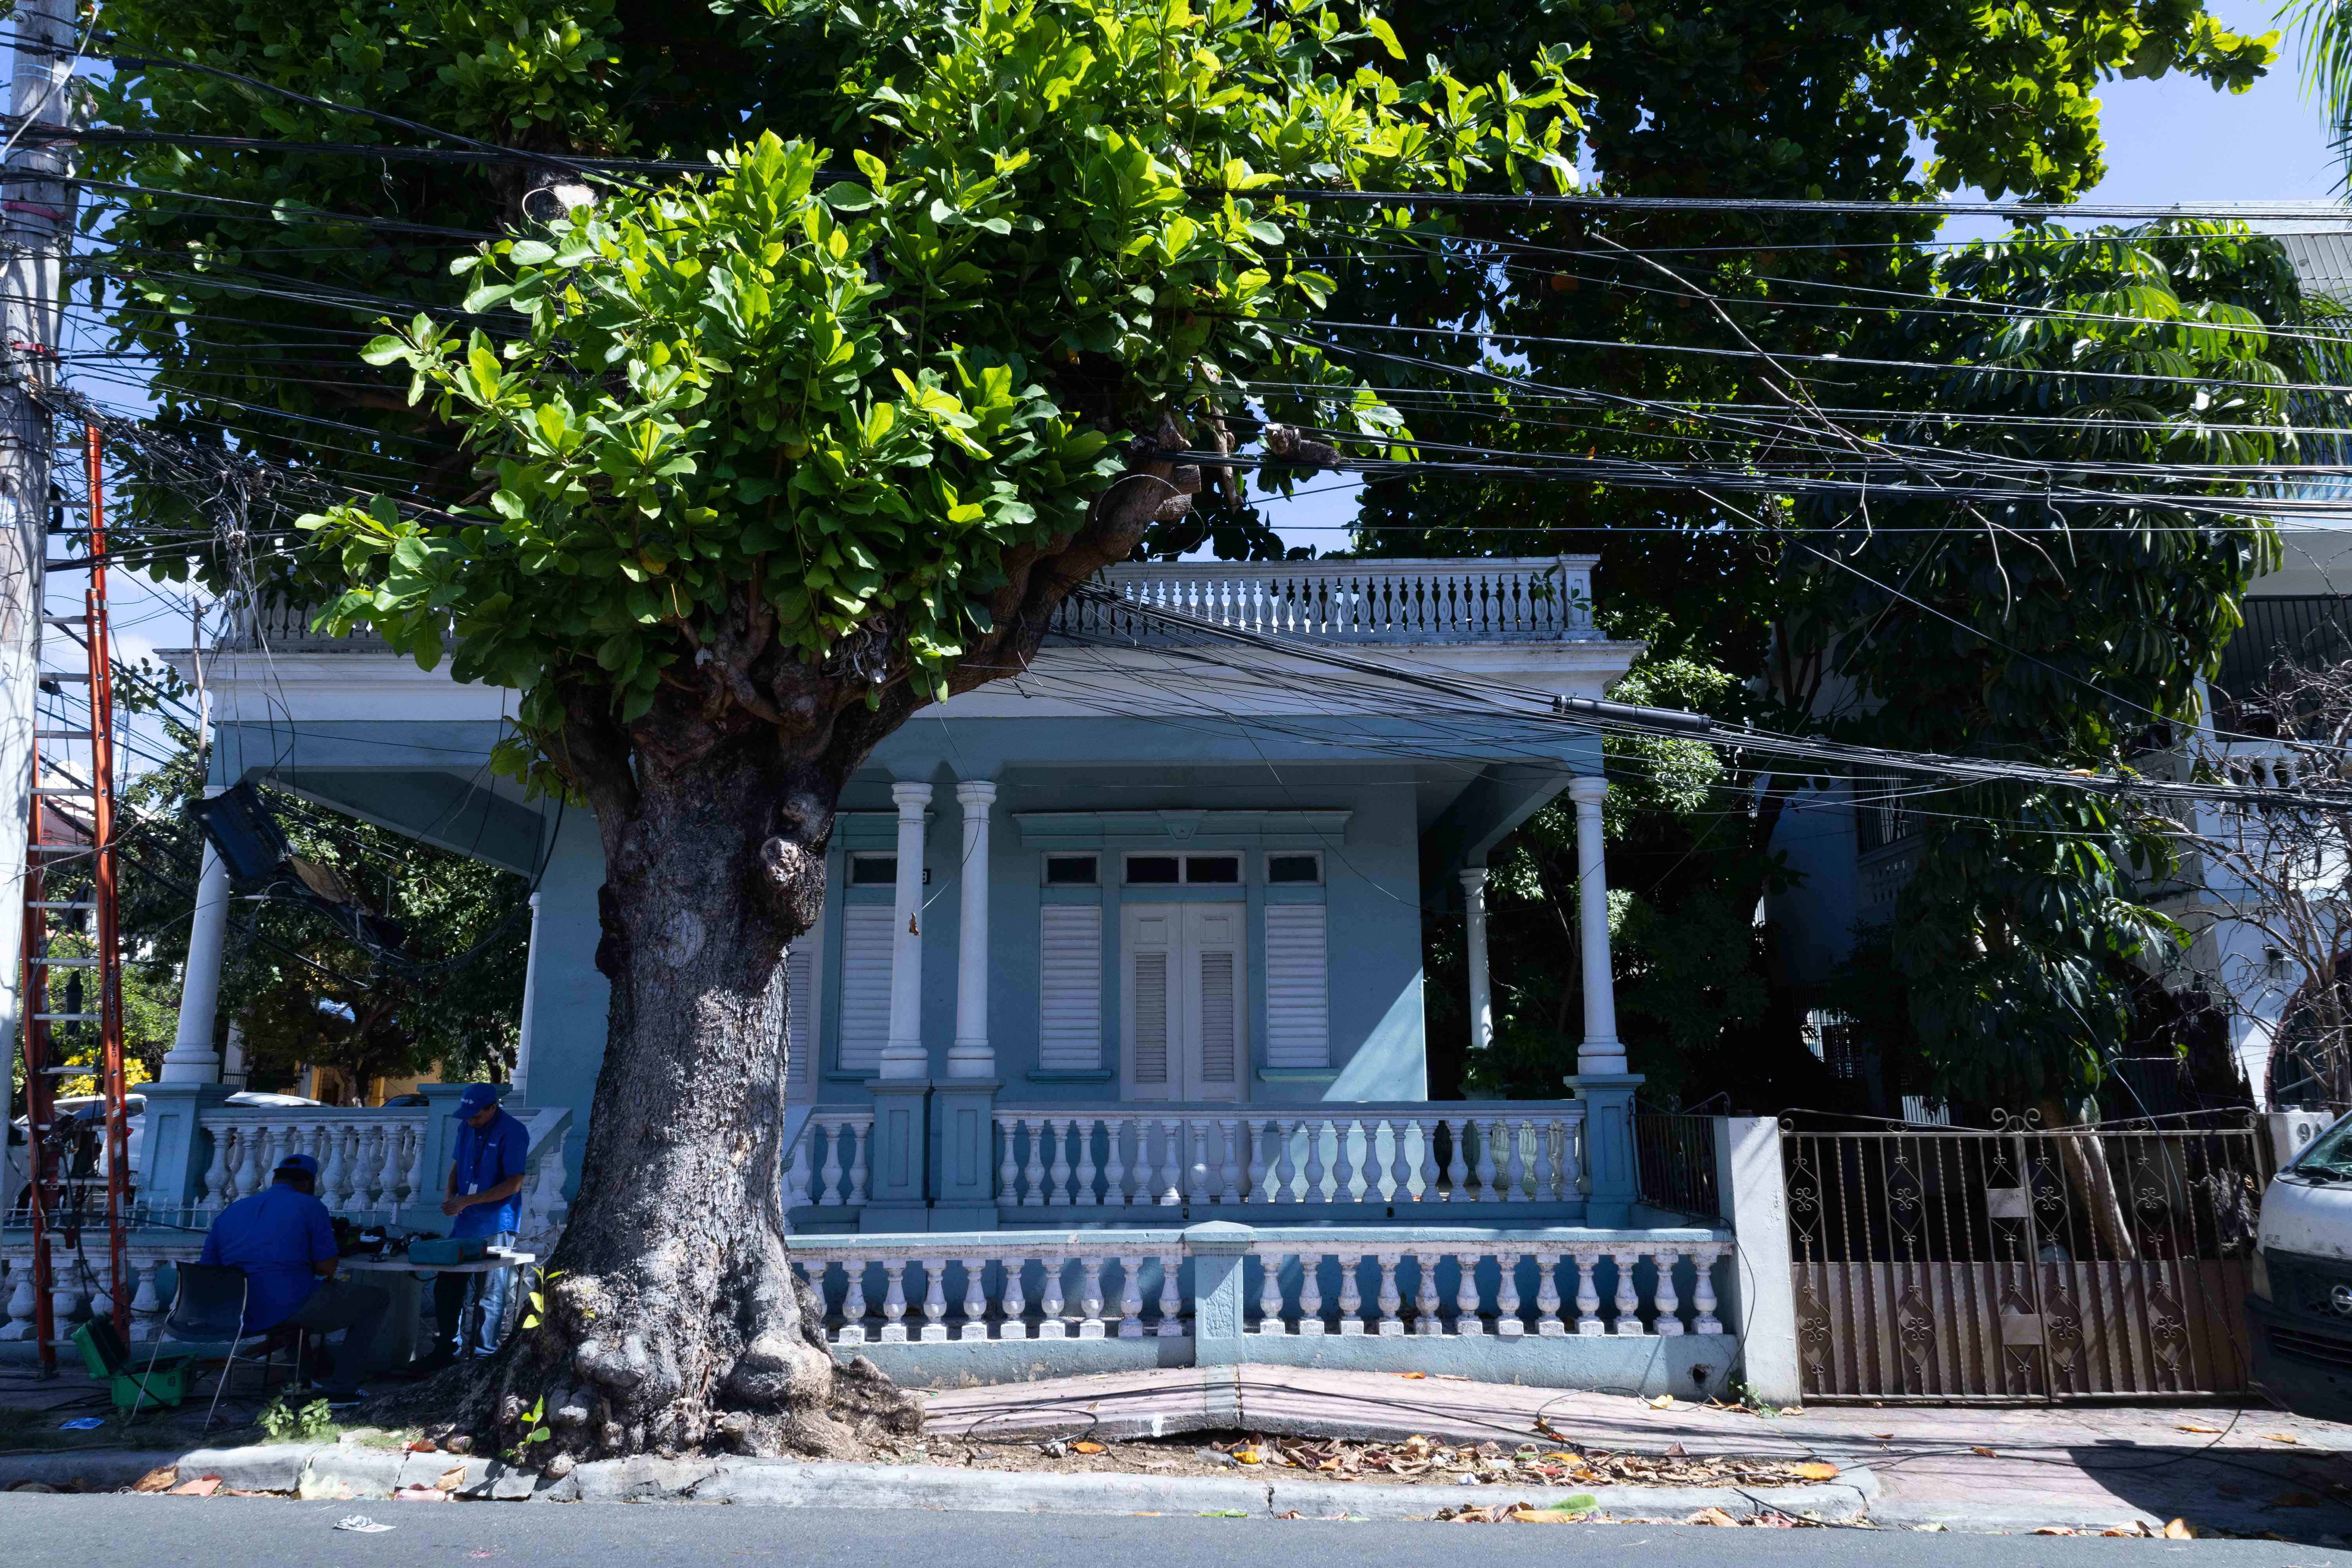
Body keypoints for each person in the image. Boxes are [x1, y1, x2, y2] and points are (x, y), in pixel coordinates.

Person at [197, 1152, 388, 1403]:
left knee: (296, 1298)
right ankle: (342, 1388)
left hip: (235, 1311)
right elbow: (327, 1268)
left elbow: (208, 1268)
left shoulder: (233, 1210)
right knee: (377, 1299)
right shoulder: (310, 1206)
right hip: (287, 1306)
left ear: (274, 1179)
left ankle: (300, 1381)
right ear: (309, 1184)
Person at [423, 1083, 528, 1368]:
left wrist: (469, 1200)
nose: (471, 1120)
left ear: (493, 1108)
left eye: (476, 1115)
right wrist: (451, 1197)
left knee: (489, 1290)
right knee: (447, 1285)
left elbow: (514, 1183)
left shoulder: (514, 1131)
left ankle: (482, 1355)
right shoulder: (466, 1128)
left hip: (497, 1220)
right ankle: (446, 1348)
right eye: (467, 1115)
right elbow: (457, 1166)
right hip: (466, 1219)